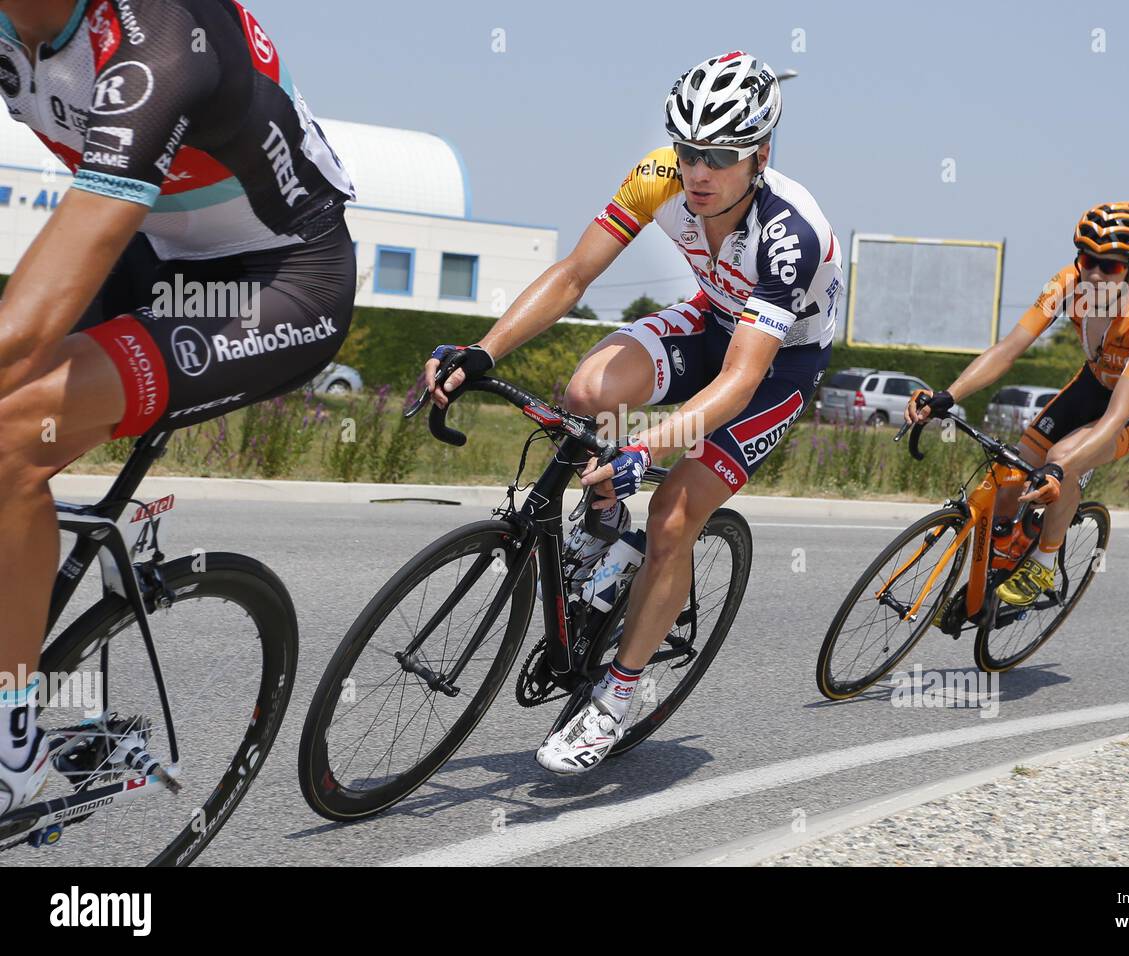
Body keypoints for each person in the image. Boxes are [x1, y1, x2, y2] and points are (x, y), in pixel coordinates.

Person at [426, 52, 842, 774]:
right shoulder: (659, 178)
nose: (698, 173)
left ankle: (617, 697)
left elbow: (741, 382)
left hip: (777, 367)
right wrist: (485, 352)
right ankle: (610, 531)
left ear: (761, 155)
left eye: (720, 156)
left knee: (678, 512)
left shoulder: (789, 236)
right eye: (687, 152)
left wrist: (643, 452)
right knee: (587, 392)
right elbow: (574, 274)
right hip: (712, 319)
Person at [0, 0, 356, 817]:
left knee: (12, 437)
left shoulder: (163, 36)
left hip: (276, 281)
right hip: (152, 246)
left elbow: (22, 338)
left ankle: (10, 738)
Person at [906, 202, 1129, 607]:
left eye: (1109, 267)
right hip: (1094, 381)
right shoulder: (1067, 284)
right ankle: (1000, 560)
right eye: (1088, 260)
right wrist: (948, 396)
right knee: (1012, 472)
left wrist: (1059, 467)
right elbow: (1009, 349)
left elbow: (1118, 413)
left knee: (1063, 457)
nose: (1094, 274)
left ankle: (1045, 560)